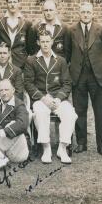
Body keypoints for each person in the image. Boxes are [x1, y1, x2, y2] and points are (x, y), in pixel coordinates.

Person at [67, 1, 102, 156]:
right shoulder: (71, 30)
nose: (85, 14)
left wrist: (100, 67)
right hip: (78, 76)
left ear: (92, 13)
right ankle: (81, 143)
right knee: (79, 111)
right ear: (79, 13)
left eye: (88, 12)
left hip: (97, 77)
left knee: (100, 112)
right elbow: (67, 53)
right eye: (83, 12)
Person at [23, 30, 77, 164]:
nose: (45, 44)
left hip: (58, 98)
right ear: (38, 42)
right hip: (40, 99)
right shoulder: (31, 60)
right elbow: (28, 84)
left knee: (70, 113)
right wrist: (43, 98)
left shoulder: (61, 60)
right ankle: (46, 148)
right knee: (40, 113)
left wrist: (58, 98)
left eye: (48, 41)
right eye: (42, 41)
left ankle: (62, 148)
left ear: (52, 42)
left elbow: (67, 83)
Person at [0, 0, 33, 70]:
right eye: (10, 2)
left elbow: (29, 46)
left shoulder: (27, 23)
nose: (12, 4)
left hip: (21, 62)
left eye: (15, 2)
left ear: (19, 3)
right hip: (2, 60)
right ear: (6, 3)